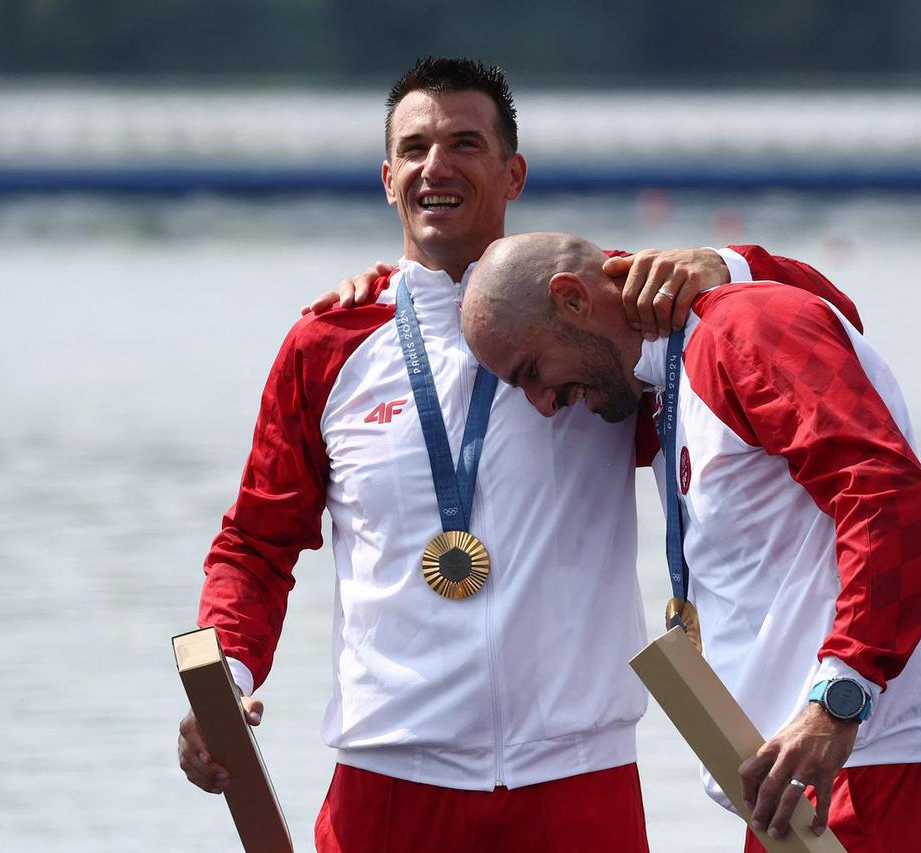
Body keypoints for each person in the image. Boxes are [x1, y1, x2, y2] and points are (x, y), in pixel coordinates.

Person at [176, 57, 851, 852]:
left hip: (575, 780)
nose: (438, 166)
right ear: (388, 177)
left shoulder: (602, 319)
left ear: (513, 173)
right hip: (390, 780)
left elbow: (823, 321)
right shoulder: (327, 345)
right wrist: (227, 678)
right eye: (417, 147)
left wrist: (726, 266)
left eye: (465, 143)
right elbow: (256, 543)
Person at [460, 232, 921, 853]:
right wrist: (396, 285)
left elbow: (888, 495)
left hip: (868, 756)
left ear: (571, 302)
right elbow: (578, 270)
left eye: (533, 373)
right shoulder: (664, 377)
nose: (544, 406)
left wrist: (842, 697)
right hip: (796, 771)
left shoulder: (742, 329)